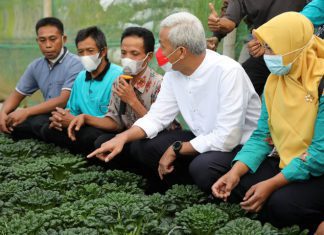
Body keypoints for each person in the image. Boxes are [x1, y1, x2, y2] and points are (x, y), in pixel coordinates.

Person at [88, 12, 261, 191]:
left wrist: (176, 149)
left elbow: (227, 138)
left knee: (202, 166)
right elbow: (157, 117)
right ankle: (179, 190)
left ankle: (205, 195)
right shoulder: (174, 74)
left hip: (237, 146)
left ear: (181, 52)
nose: (159, 53)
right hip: (201, 137)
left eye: (162, 46)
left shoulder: (228, 72)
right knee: (144, 146)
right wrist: (121, 138)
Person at [211, 12, 324, 233]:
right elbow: (262, 134)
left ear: (293, 46)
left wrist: (272, 183)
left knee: (281, 203)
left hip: (317, 167)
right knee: (223, 177)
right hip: (286, 158)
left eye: (271, 48)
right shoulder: (275, 80)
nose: (265, 55)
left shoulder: (320, 82)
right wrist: (235, 172)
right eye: (265, 47)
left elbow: (319, 154)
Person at [66, 27, 164, 156]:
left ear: (148, 56)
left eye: (134, 53)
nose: (127, 58)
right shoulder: (119, 81)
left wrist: (132, 101)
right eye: (124, 53)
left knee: (142, 147)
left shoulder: (159, 84)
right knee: (102, 141)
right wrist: (85, 118)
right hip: (127, 136)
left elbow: (160, 128)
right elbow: (115, 123)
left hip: (153, 138)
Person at [41, 26, 122, 154]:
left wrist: (80, 120)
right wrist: (60, 118)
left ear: (103, 52)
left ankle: (82, 152)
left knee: (91, 137)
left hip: (103, 129)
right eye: (81, 52)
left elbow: (117, 123)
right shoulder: (80, 77)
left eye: (90, 51)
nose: (85, 56)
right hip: (80, 125)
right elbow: (72, 110)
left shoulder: (118, 76)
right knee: (47, 128)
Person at [0, 17, 83, 139]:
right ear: (37, 40)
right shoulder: (36, 66)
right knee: (14, 123)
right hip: (46, 115)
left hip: (68, 116)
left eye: (53, 39)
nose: (48, 45)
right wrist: (3, 113)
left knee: (39, 124)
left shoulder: (76, 63)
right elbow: (16, 95)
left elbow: (62, 100)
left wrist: (26, 111)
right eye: (42, 40)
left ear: (63, 39)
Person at [208, 0, 307, 95]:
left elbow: (314, 11)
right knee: (240, 86)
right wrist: (218, 29)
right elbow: (229, 17)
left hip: (299, 48)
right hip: (262, 47)